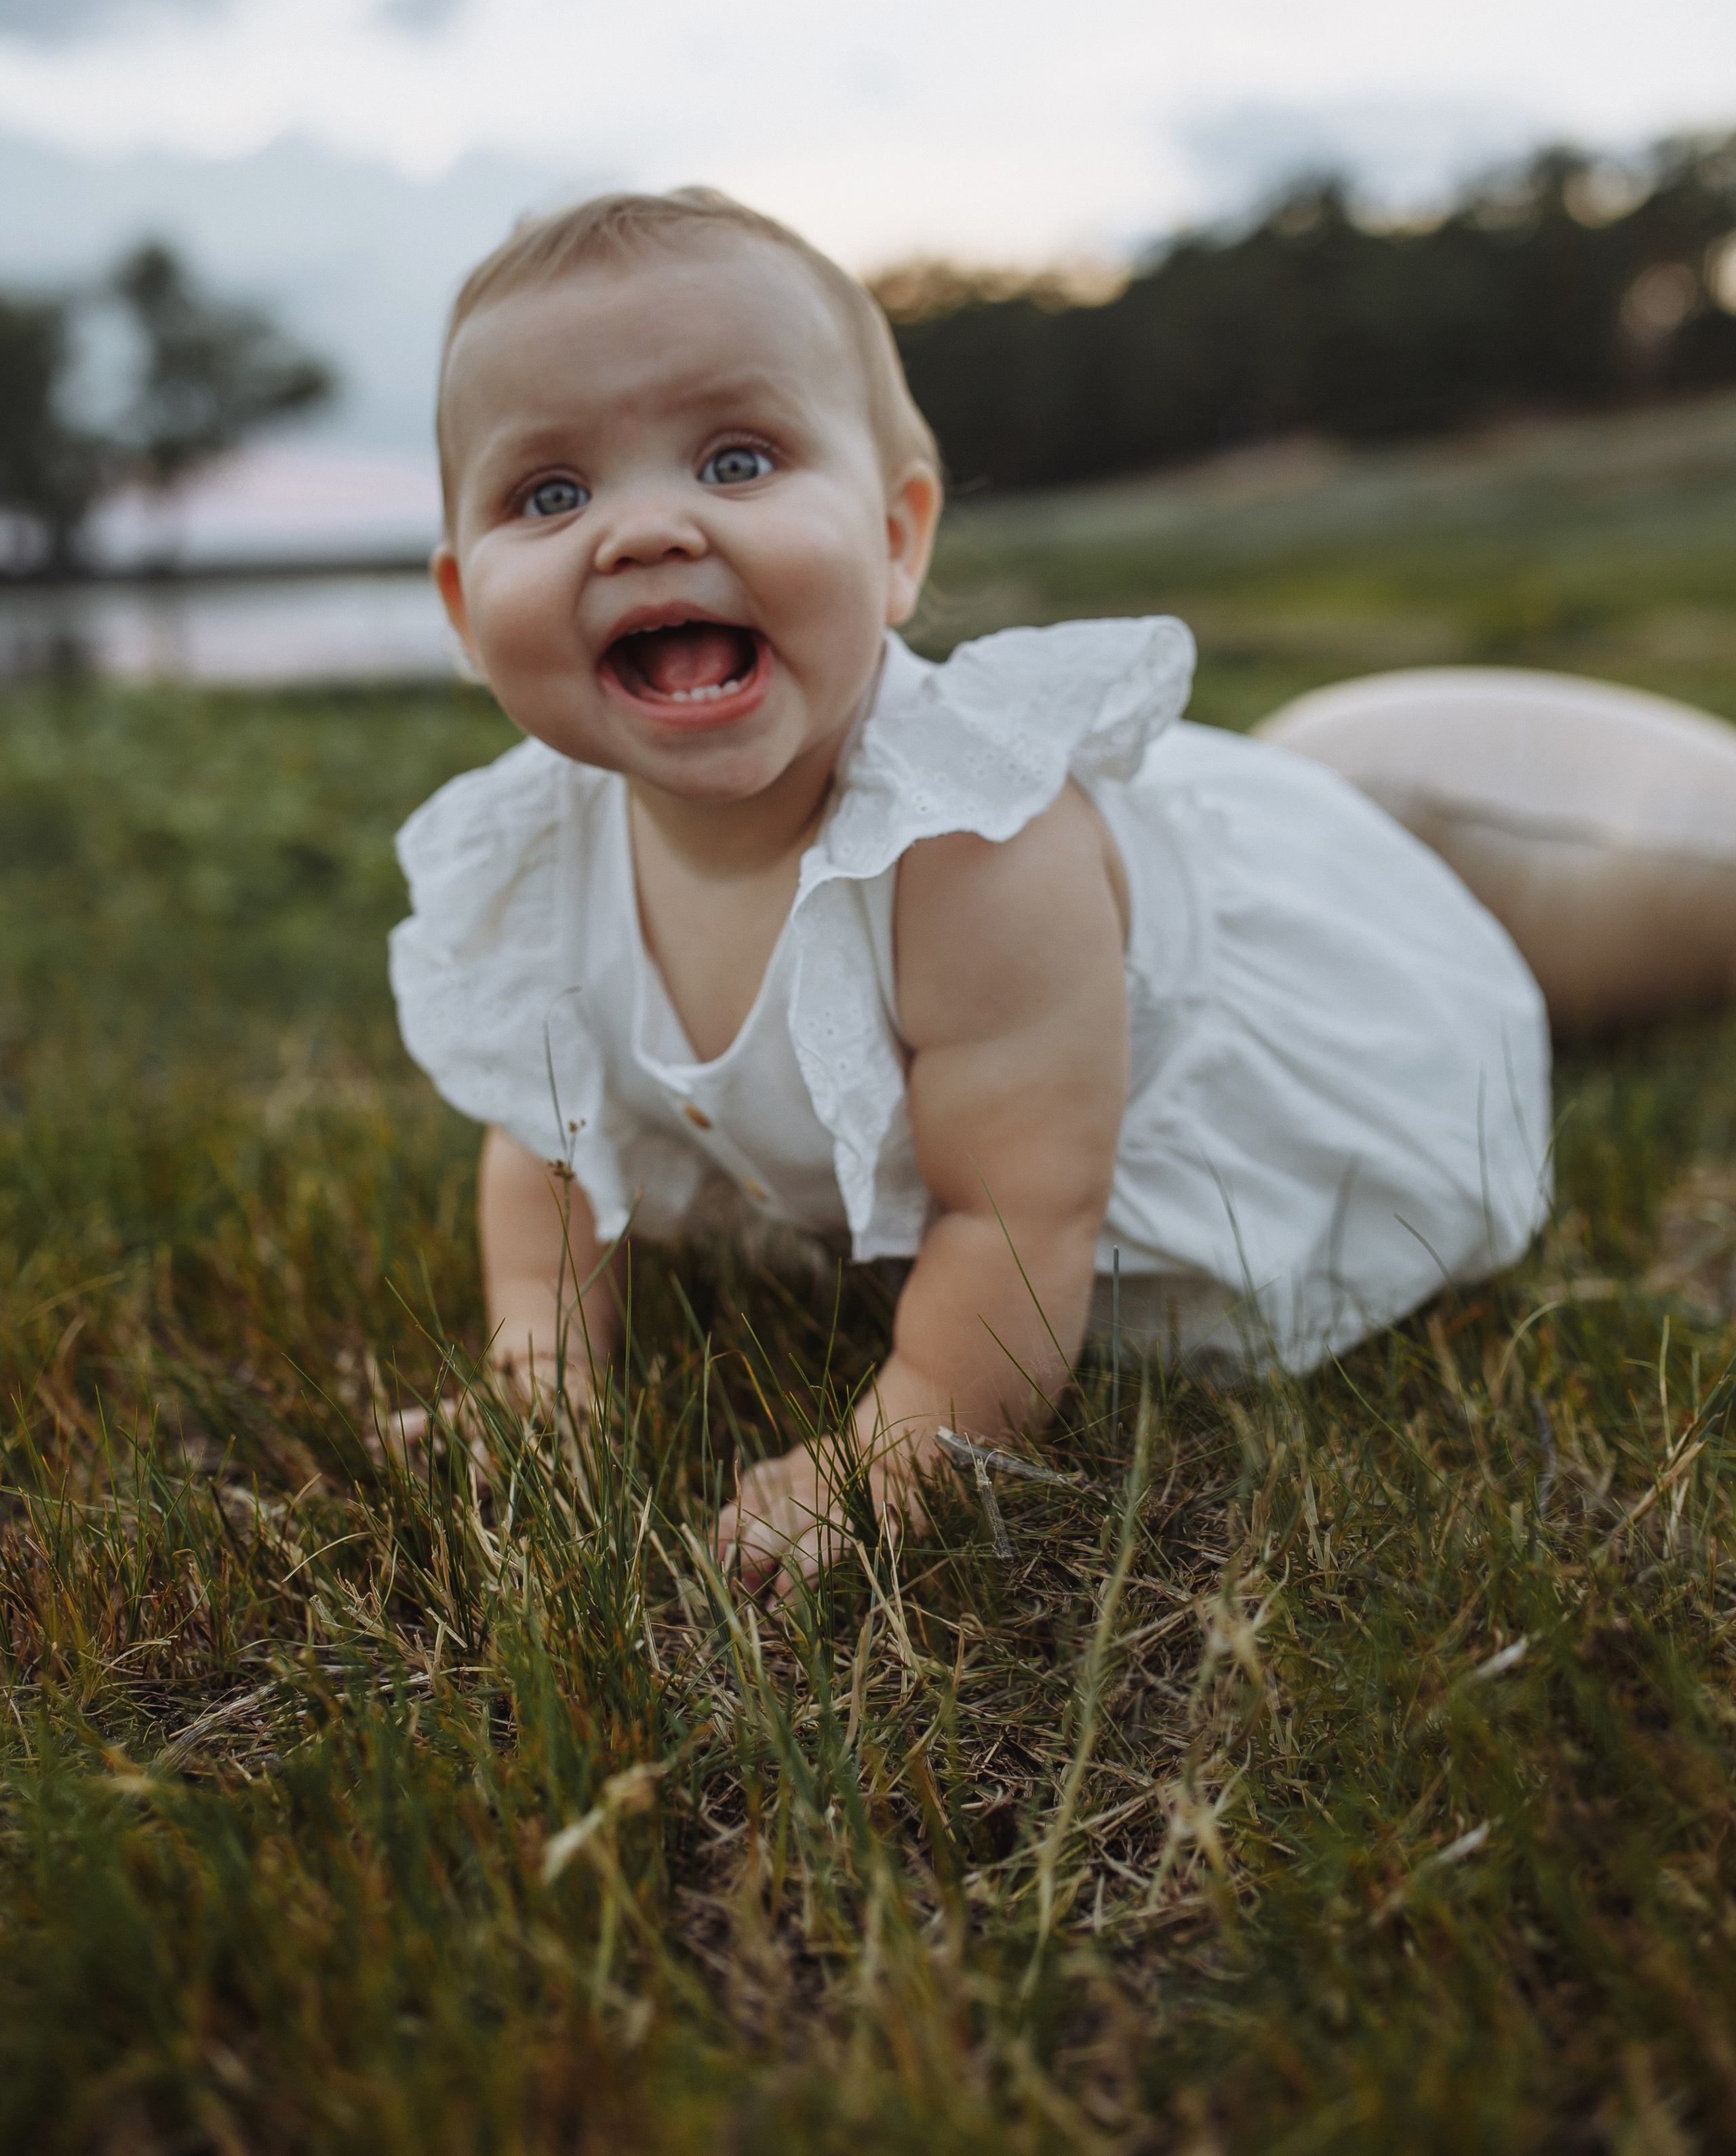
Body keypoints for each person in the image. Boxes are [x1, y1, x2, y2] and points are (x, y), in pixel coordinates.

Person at [386, 187, 1725, 1584]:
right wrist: (540, 1374)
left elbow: (1015, 1219)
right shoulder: (533, 855)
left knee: (1558, 909)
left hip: (1297, 1008)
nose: (644, 530)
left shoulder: (972, 850)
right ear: (467, 613)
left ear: (897, 540)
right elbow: (544, 1133)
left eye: (736, 460)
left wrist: (901, 1442)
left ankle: (1589, 865)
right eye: (550, 493)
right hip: (1154, 913)